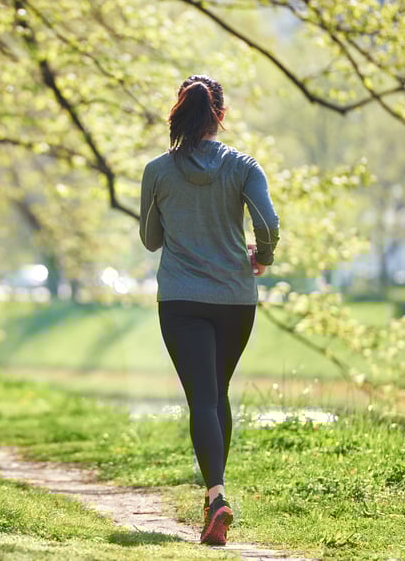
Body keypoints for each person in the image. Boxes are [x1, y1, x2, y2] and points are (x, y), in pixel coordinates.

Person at [139, 75, 279, 547]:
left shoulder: (158, 170)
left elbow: (151, 240)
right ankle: (214, 497)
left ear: (179, 112)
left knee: (202, 396)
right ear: (220, 114)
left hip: (181, 298)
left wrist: (171, 208)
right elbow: (268, 222)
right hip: (235, 299)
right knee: (216, 391)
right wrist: (263, 255)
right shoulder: (242, 166)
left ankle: (216, 497)